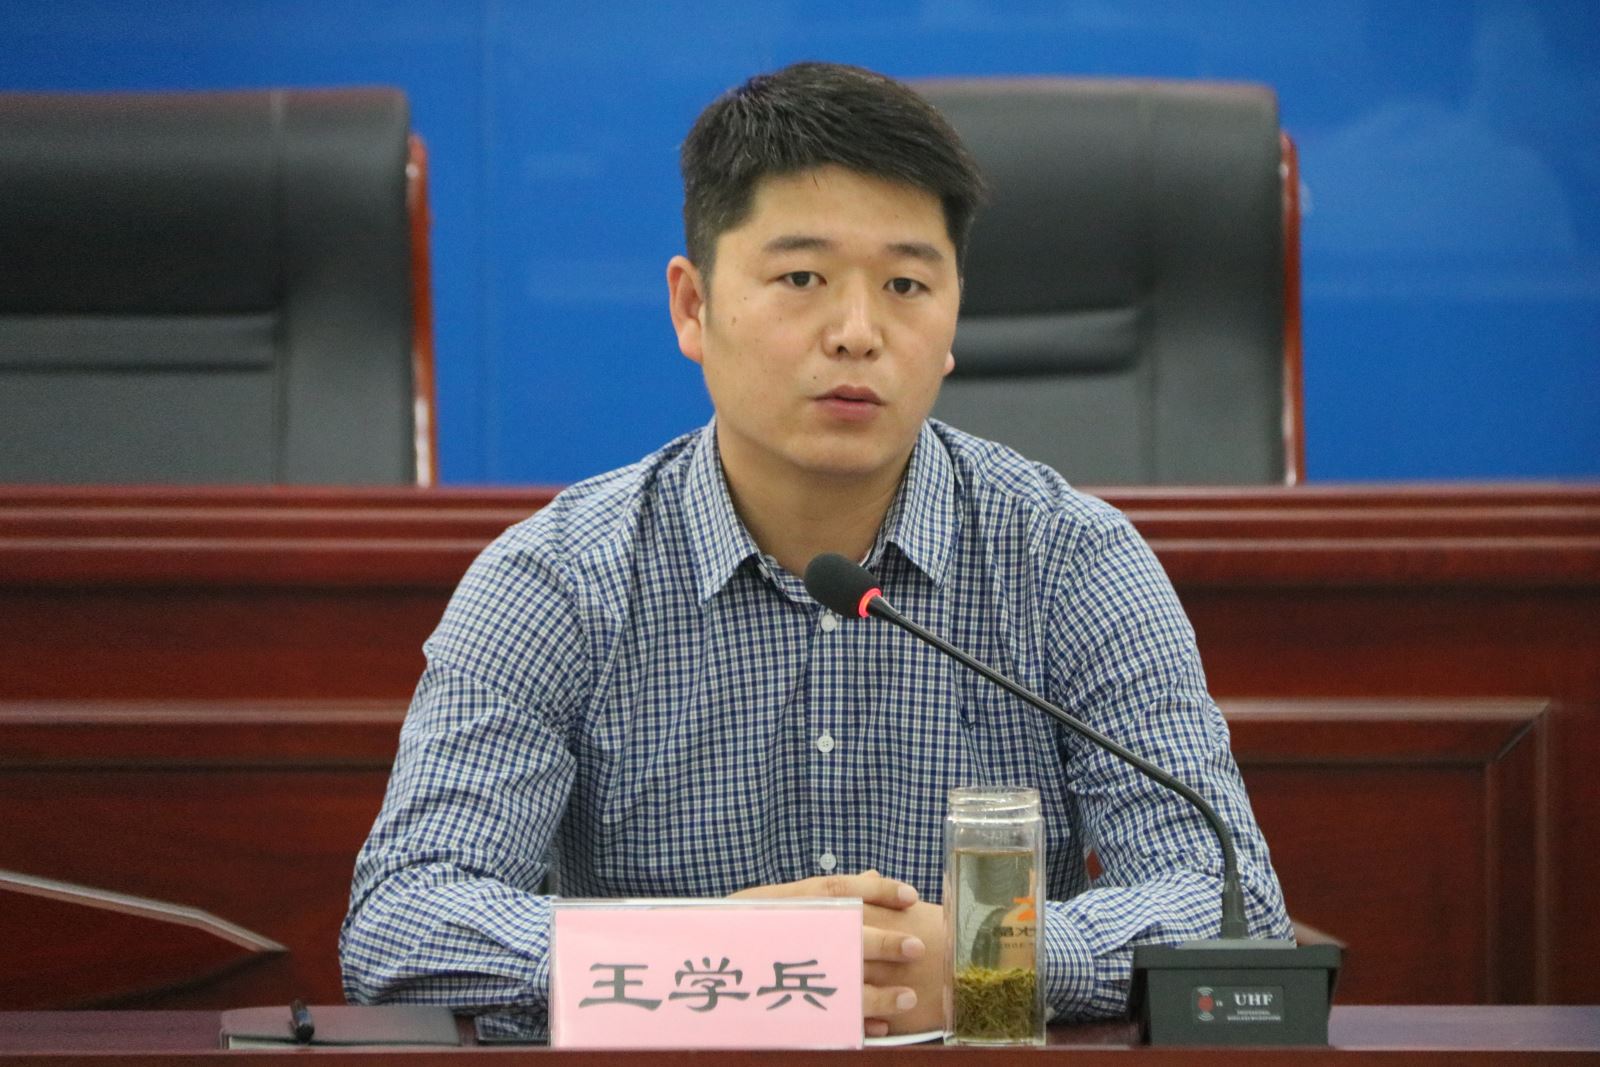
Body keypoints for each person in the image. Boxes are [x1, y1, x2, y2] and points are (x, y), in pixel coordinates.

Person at [340, 60, 1291, 1040]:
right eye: (801, 278)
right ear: (692, 307)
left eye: (906, 284)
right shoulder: (558, 579)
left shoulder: (1070, 562)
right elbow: (401, 919)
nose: (856, 332)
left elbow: (1233, 906)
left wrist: (990, 961)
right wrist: (708, 958)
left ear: (953, 318)